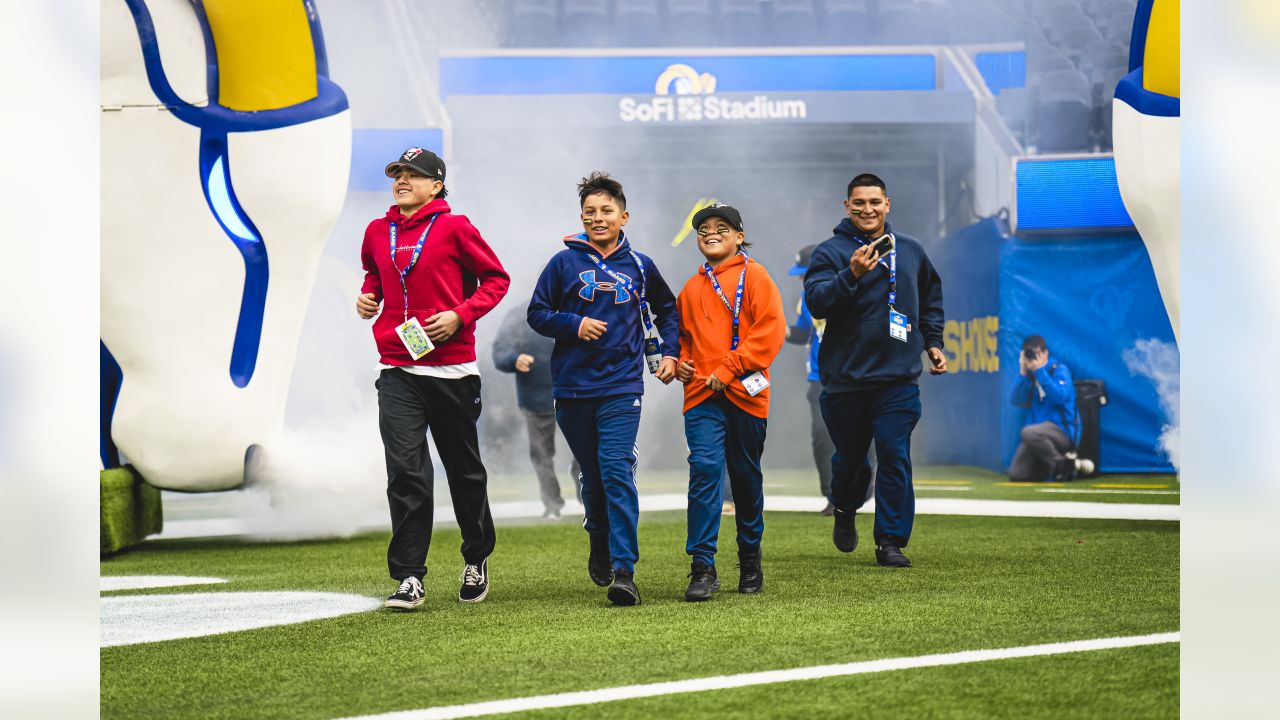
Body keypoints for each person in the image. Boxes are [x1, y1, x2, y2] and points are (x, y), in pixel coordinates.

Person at [356, 147, 510, 610]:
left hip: (453, 369)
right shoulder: (376, 231)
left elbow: (495, 280)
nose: (402, 180)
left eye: (413, 175)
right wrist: (368, 297)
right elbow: (373, 276)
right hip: (397, 368)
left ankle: (476, 556)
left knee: (464, 472)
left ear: (436, 184)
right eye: (397, 174)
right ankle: (408, 577)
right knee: (406, 472)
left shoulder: (456, 227)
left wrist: (460, 316)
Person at [527, 171, 680, 606]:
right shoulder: (562, 263)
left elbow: (667, 311)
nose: (598, 218)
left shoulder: (640, 265)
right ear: (581, 217)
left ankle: (625, 570)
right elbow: (538, 313)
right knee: (591, 478)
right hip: (572, 388)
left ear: (623, 216)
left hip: (622, 386)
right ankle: (598, 534)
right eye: (590, 212)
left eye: (606, 211)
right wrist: (574, 324)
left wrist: (669, 353)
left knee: (616, 470)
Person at [804, 173, 946, 569]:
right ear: (846, 206)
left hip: (898, 380)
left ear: (888, 204)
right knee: (851, 461)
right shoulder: (828, 252)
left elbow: (932, 298)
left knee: (894, 453)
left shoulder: (913, 251)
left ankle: (890, 541)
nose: (867, 209)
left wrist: (933, 341)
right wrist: (851, 274)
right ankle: (845, 507)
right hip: (845, 381)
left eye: (875, 202)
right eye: (859, 202)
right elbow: (817, 303)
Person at [674, 203, 785, 601]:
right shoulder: (689, 289)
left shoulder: (755, 277)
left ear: (739, 236)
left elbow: (771, 331)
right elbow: (684, 339)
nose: (710, 233)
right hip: (702, 394)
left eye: (721, 227)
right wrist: (685, 363)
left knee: (745, 476)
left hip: (745, 393)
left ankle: (750, 558)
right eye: (703, 229)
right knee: (704, 470)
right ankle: (702, 566)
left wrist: (730, 368)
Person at [492, 306, 579, 518]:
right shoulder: (520, 314)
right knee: (541, 454)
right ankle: (552, 504)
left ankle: (588, 494)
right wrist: (514, 359)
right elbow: (500, 351)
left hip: (577, 392)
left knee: (585, 449)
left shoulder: (579, 304)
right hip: (537, 398)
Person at [785, 244, 837, 516]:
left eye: (805, 273)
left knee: (859, 435)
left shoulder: (848, 290)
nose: (801, 279)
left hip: (850, 377)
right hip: (819, 378)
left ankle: (865, 483)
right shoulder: (805, 298)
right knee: (821, 435)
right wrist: (779, 330)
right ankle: (831, 496)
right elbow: (804, 333)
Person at [1008, 334, 1093, 481]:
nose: (1033, 358)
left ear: (1045, 353)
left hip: (1062, 431)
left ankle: (1061, 465)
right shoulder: (1029, 375)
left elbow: (1059, 398)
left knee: (1028, 432)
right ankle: (1069, 465)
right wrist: (1022, 372)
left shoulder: (1059, 370)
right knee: (1016, 474)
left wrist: (1040, 371)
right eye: (1029, 354)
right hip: (1036, 436)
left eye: (1036, 354)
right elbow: (1015, 400)